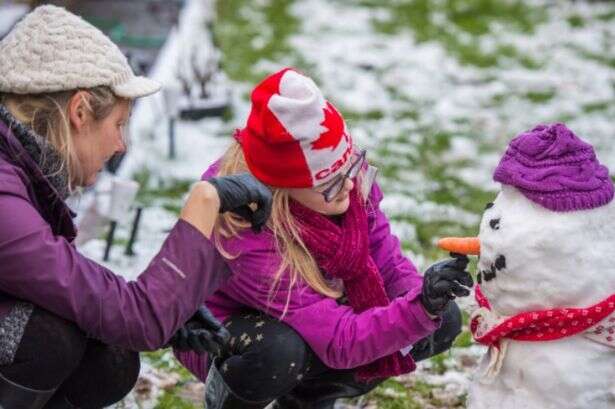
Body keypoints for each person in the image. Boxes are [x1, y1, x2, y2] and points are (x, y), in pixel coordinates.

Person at [0, 6, 271, 409]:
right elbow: (136, 316)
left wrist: (172, 309)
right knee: (44, 338)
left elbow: (70, 285)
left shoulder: (19, 170)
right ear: (78, 112)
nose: (121, 145)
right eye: (119, 124)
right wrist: (204, 203)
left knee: (108, 358)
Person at [174, 68, 473, 409]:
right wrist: (415, 310)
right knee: (277, 352)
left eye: (350, 167)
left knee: (440, 321)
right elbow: (339, 340)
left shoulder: (345, 181)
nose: (348, 185)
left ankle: (309, 400)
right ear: (281, 189)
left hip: (313, 314)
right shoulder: (243, 233)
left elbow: (387, 264)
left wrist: (425, 297)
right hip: (228, 334)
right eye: (329, 183)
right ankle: (230, 399)